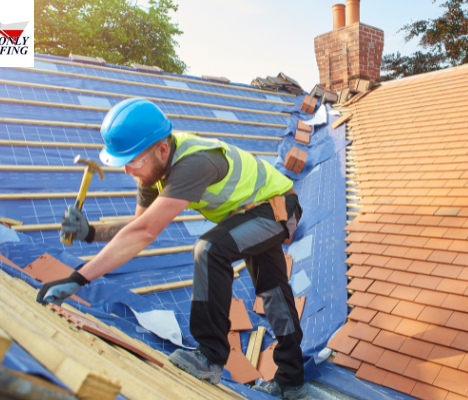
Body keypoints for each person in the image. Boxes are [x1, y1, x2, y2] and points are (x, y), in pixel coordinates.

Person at [37, 98, 306, 399]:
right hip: (251, 213)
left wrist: (78, 278)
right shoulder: (151, 170)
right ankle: (291, 380)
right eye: (123, 162)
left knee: (209, 250)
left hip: (279, 207)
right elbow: (139, 225)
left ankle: (210, 356)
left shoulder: (194, 163)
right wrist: (90, 233)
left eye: (133, 161)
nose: (128, 170)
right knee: (273, 291)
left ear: (162, 150)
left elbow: (144, 233)